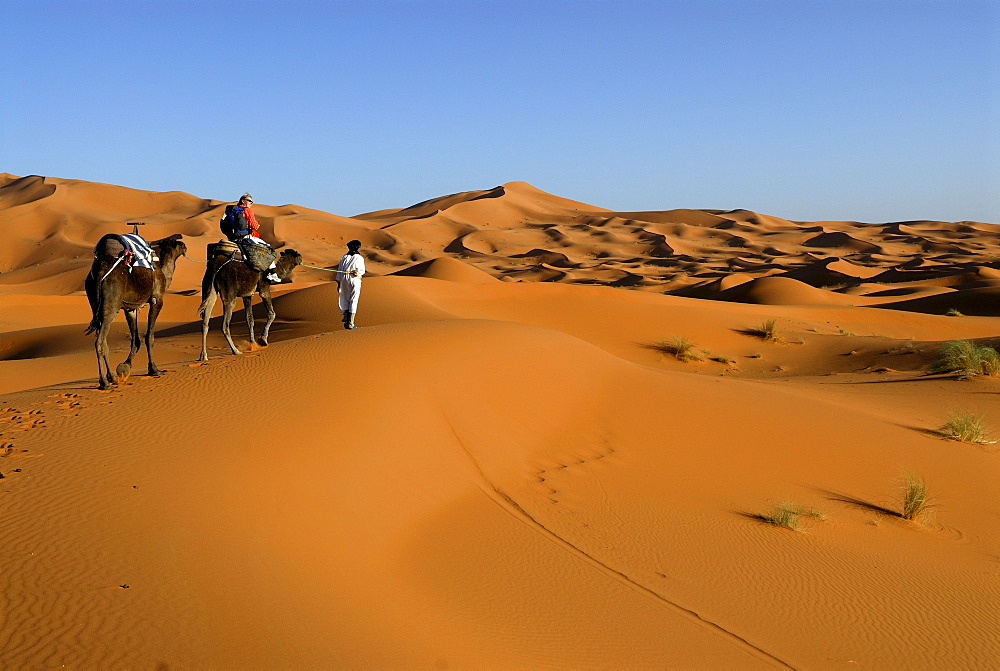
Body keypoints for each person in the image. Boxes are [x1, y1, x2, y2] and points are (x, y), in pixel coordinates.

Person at [222, 193, 281, 283]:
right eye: (249, 201)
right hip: (246, 236)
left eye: (252, 201)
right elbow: (254, 225)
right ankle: (272, 273)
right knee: (268, 248)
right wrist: (257, 225)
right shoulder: (247, 211)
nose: (251, 203)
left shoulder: (231, 211)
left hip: (232, 238)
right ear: (243, 201)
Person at [337, 240, 366, 329]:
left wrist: (338, 283)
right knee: (353, 299)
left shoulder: (344, 257)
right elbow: (361, 271)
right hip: (354, 279)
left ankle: (346, 318)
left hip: (343, 280)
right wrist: (353, 272)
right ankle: (350, 323)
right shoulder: (359, 258)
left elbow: (339, 271)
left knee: (344, 297)